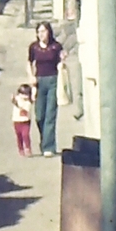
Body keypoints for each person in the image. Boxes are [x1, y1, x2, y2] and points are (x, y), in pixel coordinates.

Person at [28, 21, 66, 156]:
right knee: (40, 116)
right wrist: (31, 77)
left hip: (52, 80)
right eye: (39, 32)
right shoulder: (34, 47)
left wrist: (63, 60)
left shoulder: (56, 47)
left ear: (49, 32)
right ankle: (44, 141)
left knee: (50, 114)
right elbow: (29, 62)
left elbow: (61, 61)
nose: (41, 34)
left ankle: (48, 147)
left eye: (43, 31)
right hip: (39, 82)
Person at [11, 83, 34, 156]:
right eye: (22, 94)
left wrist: (16, 104)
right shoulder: (18, 98)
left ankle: (27, 148)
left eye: (26, 94)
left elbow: (24, 112)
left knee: (25, 134)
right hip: (16, 121)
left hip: (25, 121)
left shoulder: (28, 102)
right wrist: (13, 99)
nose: (24, 96)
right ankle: (21, 149)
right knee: (19, 135)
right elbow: (14, 100)